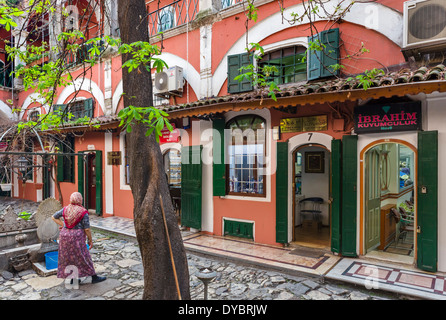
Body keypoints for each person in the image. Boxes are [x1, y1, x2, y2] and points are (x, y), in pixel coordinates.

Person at [51, 192, 106, 284]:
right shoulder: (83, 212)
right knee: (84, 256)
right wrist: (90, 240)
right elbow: (87, 229)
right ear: (80, 200)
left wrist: (64, 224)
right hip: (76, 238)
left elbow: (53, 217)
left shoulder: (65, 209)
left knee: (69, 257)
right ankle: (94, 277)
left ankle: (73, 279)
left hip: (64, 237)